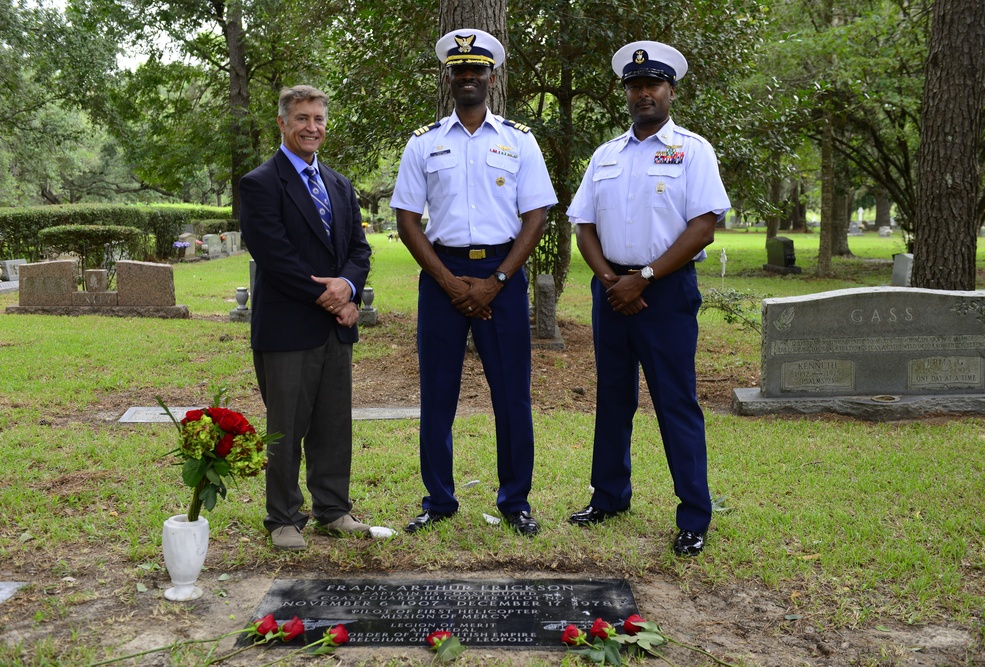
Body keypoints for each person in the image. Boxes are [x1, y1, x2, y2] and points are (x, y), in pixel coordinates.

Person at [390, 29, 557, 537]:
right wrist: (447, 282)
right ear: (449, 76)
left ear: (491, 76)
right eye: (460, 69)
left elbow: (537, 215)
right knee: (437, 396)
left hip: (502, 278)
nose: (468, 77)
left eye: (477, 69)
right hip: (441, 275)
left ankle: (515, 501)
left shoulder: (519, 140)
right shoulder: (424, 143)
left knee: (512, 396)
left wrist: (497, 280)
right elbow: (406, 219)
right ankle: (438, 500)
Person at [565, 42, 731, 556]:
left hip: (666, 293)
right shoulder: (606, 154)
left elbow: (703, 228)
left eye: (653, 85)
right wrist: (613, 281)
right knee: (613, 398)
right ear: (628, 94)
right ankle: (609, 497)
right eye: (635, 87)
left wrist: (647, 277)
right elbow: (584, 224)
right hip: (611, 289)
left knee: (675, 401)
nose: (643, 94)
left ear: (670, 91)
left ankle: (693, 515)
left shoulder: (693, 150)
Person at [239, 85, 372, 551]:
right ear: (282, 123)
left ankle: (333, 510)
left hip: (336, 330)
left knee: (334, 425)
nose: (311, 127)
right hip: (287, 328)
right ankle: (283, 518)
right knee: (287, 426)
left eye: (318, 118)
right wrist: (334, 296)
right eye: (301, 119)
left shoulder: (338, 184)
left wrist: (350, 287)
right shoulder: (259, 183)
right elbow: (275, 256)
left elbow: (358, 248)